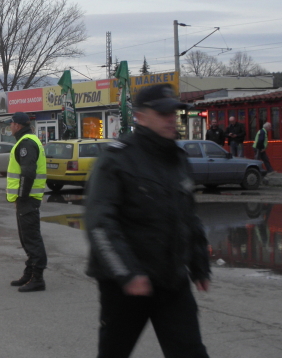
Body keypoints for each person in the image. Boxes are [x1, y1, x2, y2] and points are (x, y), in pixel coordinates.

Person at [84, 84, 211, 358]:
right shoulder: (117, 159)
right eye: (163, 112)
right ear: (141, 116)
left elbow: (189, 216)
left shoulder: (178, 159)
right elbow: (100, 222)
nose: (171, 118)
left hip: (172, 280)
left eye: (174, 112)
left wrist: (199, 264)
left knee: (190, 352)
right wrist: (127, 273)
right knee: (114, 352)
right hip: (126, 286)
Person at [6, 111, 48, 293]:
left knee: (31, 239)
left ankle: (37, 278)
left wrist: (22, 196)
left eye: (11, 123)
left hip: (28, 199)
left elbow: (28, 172)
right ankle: (29, 272)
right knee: (26, 238)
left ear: (17, 125)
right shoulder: (26, 141)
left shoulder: (26, 143)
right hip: (26, 199)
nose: (10, 126)